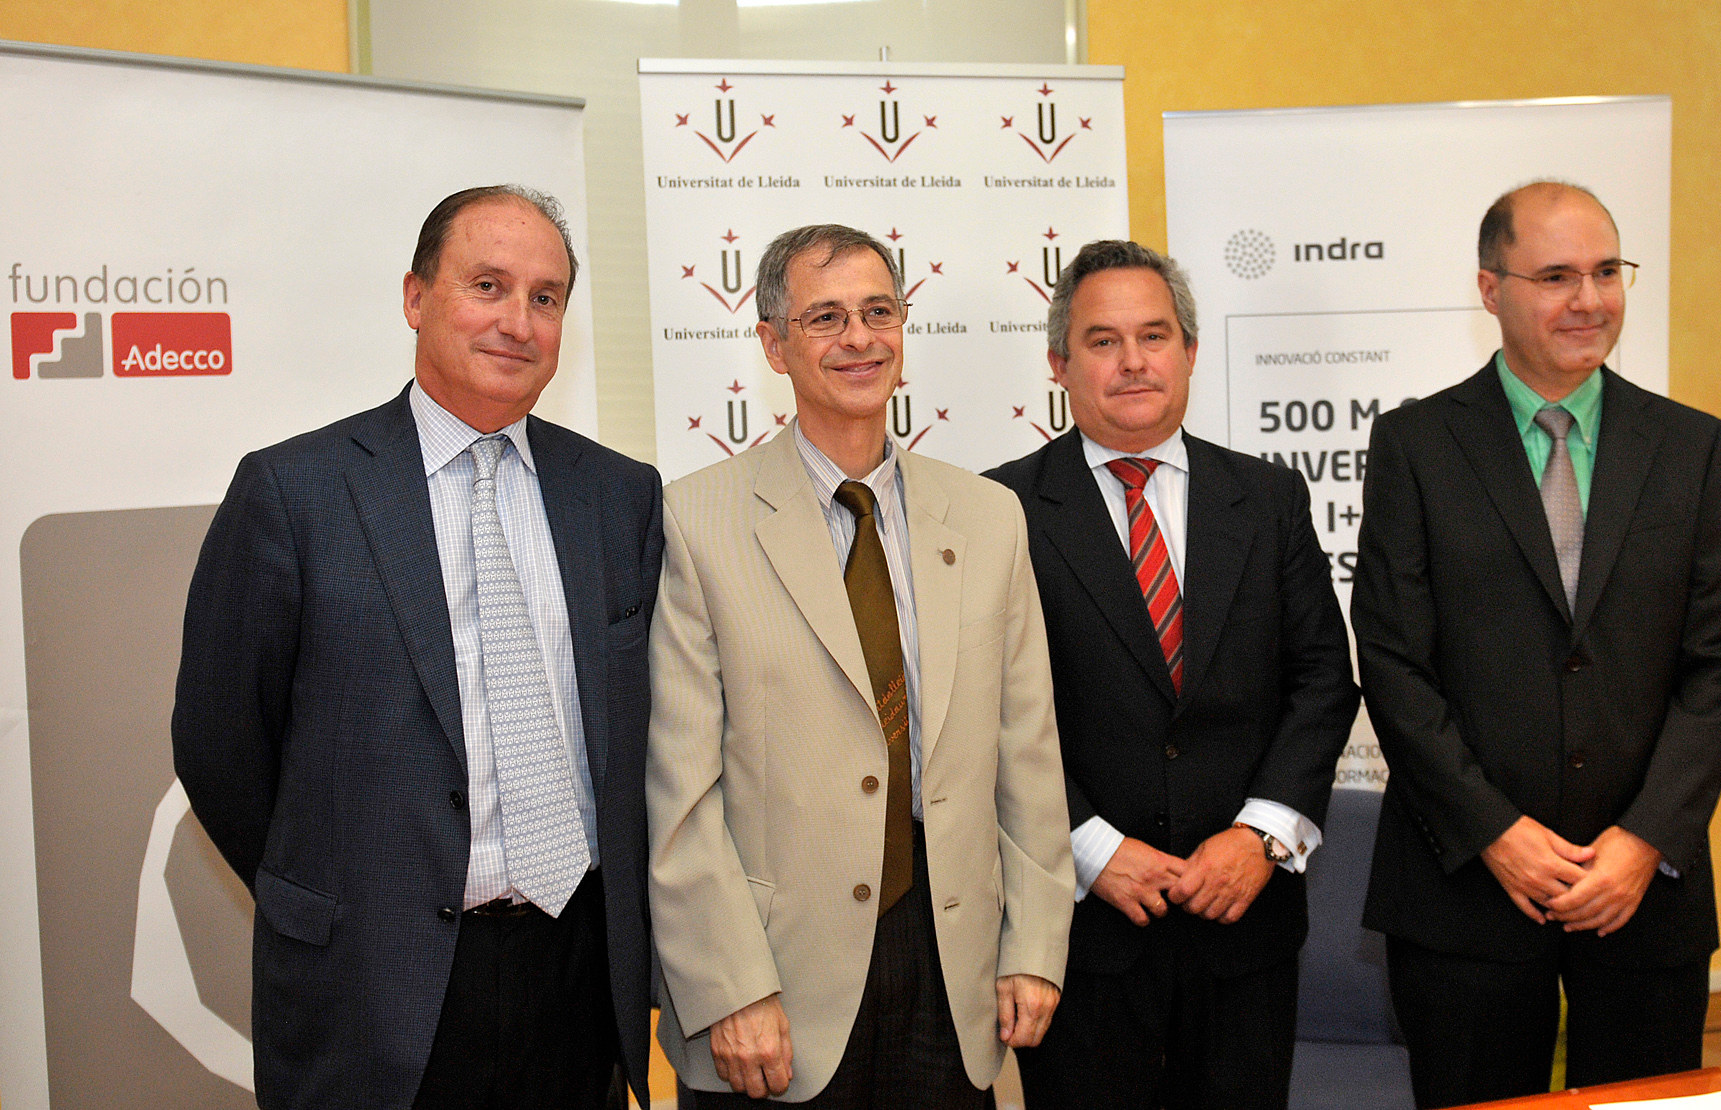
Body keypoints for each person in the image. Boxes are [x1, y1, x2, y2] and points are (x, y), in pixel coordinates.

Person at [172, 185, 661, 1110]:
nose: (518, 321)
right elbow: (219, 747)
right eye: (488, 286)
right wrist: (337, 895)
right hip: (371, 982)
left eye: (546, 297)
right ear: (415, 297)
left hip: (576, 977)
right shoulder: (294, 493)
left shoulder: (618, 496)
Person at [647, 224, 1074, 1108]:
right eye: (826, 317)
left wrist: (1034, 947)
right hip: (776, 978)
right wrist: (728, 987)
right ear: (774, 344)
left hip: (952, 966)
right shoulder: (696, 521)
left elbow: (1026, 750)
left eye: (879, 312)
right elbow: (679, 791)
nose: (859, 338)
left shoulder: (989, 517)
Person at [1352, 181, 1721, 1108]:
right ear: (1490, 289)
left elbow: (1720, 661)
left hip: (1643, 894)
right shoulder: (1416, 445)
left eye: (1607, 272)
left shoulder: (1689, 446)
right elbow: (1395, 662)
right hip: (1465, 892)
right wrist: (1494, 832)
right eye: (1557, 276)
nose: (1589, 299)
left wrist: (1645, 840)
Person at [986, 240, 1358, 1109]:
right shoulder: (999, 509)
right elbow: (982, 713)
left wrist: (1261, 836)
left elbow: (1322, 681)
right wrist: (1090, 848)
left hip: (1245, 926)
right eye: (1103, 341)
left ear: (1189, 351)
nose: (1133, 361)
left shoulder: (1268, 499)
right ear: (1059, 364)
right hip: (1080, 931)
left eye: (1154, 336)